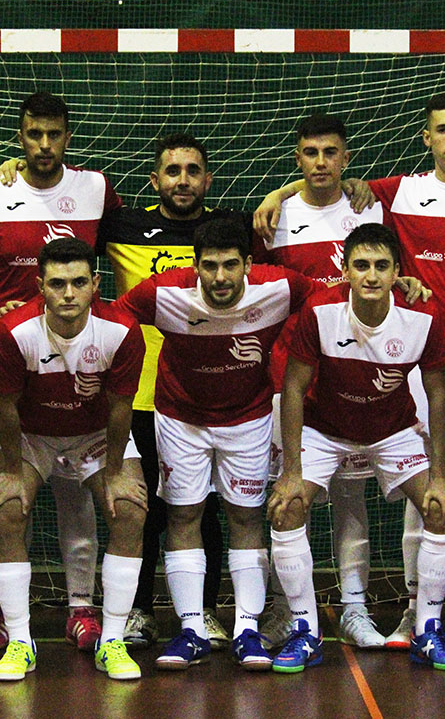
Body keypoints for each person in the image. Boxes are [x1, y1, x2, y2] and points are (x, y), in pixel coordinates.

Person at [256, 93, 445, 650]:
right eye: (441, 130)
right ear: (426, 137)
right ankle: (410, 611)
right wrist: (277, 190)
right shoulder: (398, 192)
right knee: (391, 495)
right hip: (389, 367)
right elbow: (324, 181)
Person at [114, 218, 316, 673]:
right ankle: (191, 629)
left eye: (230, 265)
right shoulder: (163, 292)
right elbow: (111, 320)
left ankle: (246, 629)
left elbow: (336, 294)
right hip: (180, 418)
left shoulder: (281, 287)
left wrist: (401, 289)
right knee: (184, 514)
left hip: (249, 416)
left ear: (248, 264)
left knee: (245, 515)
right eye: (210, 266)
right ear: (195, 265)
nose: (220, 277)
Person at [267, 223, 445, 673]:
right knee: (287, 507)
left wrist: (439, 473)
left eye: (381, 266)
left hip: (392, 430)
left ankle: (427, 630)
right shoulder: (319, 311)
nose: (371, 276)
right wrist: (293, 471)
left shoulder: (424, 317)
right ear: (345, 270)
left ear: (398, 272)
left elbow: (437, 394)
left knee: (440, 509)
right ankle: (304, 631)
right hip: (323, 429)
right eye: (361, 265)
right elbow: (293, 388)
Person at [0, 92, 123, 652]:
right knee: (12, 498)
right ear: (19, 136)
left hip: (80, 364)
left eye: (54, 134)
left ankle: (83, 611)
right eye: (33, 134)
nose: (43, 146)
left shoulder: (95, 189)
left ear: (68, 136)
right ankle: (14, 619)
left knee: (78, 499)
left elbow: (125, 253)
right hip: (12, 370)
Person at [98, 133, 243, 650]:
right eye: (173, 170)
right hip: (136, 394)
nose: (183, 179)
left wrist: (279, 191)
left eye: (193, 170)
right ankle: (137, 610)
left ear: (208, 178)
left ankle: (201, 612)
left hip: (205, 395)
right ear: (155, 179)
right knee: (142, 511)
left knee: (200, 510)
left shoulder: (230, 229)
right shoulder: (121, 224)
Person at [254, 114, 390, 650]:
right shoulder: (275, 216)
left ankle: (354, 606)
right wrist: (278, 192)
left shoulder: (368, 209)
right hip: (290, 376)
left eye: (330, 152)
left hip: (355, 374)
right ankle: (290, 610)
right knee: (288, 494)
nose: (320, 162)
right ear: (297, 158)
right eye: (309, 152)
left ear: (346, 158)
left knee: (351, 495)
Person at [0, 238, 147, 681]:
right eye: (57, 284)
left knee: (130, 510)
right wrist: (14, 471)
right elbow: (7, 406)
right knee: (6, 511)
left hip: (93, 436)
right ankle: (21, 640)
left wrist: (114, 472)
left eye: (79, 282)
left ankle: (111, 640)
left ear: (96, 283)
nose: (69, 294)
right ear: (40, 286)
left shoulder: (122, 330)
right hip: (31, 436)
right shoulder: (12, 332)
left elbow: (120, 407)